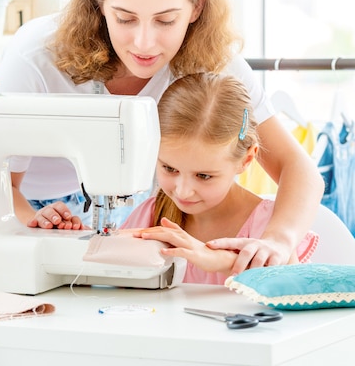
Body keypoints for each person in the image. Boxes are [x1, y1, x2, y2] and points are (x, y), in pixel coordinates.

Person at [0, 0, 324, 271]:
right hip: (36, 203)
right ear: (98, 1)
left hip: (136, 209)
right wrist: (37, 222)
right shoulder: (37, 57)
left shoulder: (213, 61)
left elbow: (297, 168)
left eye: (166, 21)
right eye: (124, 18)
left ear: (197, 6)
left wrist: (278, 238)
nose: (144, 43)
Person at [119, 73, 318, 284]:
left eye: (203, 176)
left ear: (247, 159)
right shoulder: (151, 214)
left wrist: (224, 262)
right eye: (169, 168)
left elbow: (291, 291)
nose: (183, 191)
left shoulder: (268, 227)